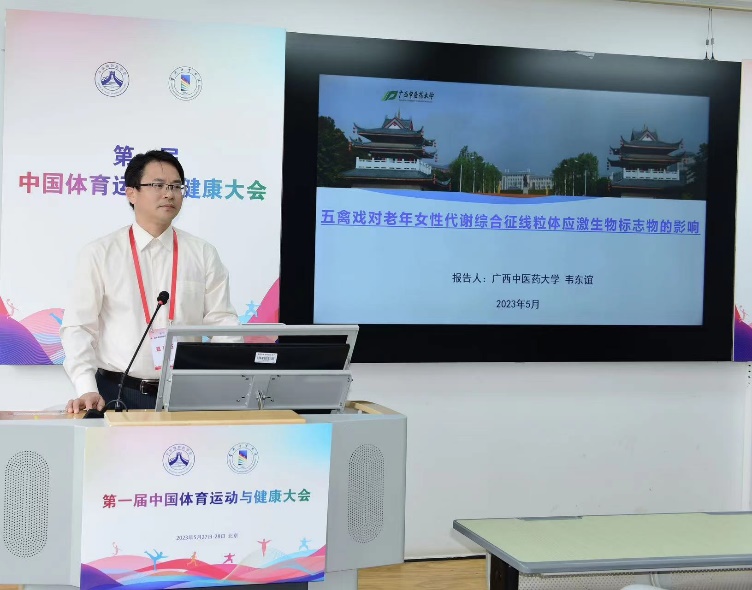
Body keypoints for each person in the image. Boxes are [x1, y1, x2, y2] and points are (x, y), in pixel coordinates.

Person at [60, 149, 240, 413]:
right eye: (158, 185)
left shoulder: (203, 253)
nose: (169, 194)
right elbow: (79, 327)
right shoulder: (100, 253)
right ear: (131, 193)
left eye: (176, 186)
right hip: (117, 393)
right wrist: (86, 387)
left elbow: (222, 323)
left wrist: (223, 381)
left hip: (186, 393)